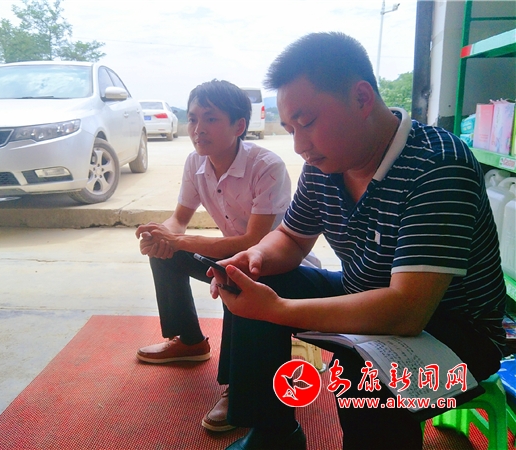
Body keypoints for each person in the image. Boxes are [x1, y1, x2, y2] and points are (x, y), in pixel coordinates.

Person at [209, 32, 507, 450]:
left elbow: (407, 311)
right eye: (290, 129)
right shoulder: (324, 164)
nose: (299, 145)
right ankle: (273, 434)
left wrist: (278, 310)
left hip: (454, 330)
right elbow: (291, 238)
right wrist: (255, 257)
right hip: (367, 295)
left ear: (362, 98)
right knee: (251, 283)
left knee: (362, 373)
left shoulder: (438, 165)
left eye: (307, 123)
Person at [134, 79, 292, 432]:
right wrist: (160, 236)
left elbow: (253, 240)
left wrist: (181, 240)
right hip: (231, 256)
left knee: (235, 275)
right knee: (165, 253)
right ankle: (190, 342)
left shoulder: (267, 166)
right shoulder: (196, 162)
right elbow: (179, 219)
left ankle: (239, 385)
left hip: (271, 262)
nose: (198, 129)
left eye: (210, 119)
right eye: (192, 119)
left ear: (239, 126)